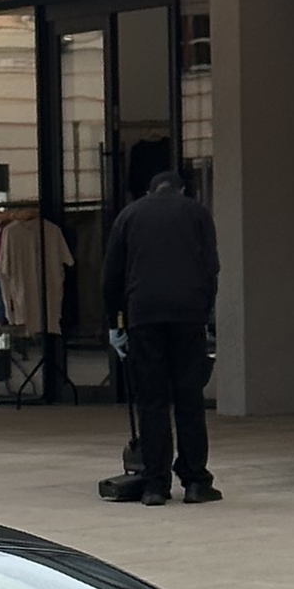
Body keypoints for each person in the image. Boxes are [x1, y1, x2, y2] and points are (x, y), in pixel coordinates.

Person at [101, 167, 219, 504]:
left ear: (151, 191)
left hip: (144, 315)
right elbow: (211, 267)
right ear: (181, 190)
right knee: (189, 399)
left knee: (151, 401)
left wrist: (115, 323)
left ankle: (155, 484)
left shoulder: (129, 215)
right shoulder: (197, 213)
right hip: (188, 315)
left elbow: (111, 275)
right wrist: (205, 311)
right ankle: (196, 481)